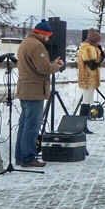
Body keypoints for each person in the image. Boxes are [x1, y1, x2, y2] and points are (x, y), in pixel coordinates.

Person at [15, 21, 64, 167]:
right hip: (34, 91)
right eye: (48, 36)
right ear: (41, 34)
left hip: (25, 90)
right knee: (32, 126)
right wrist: (57, 66)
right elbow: (43, 69)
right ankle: (28, 158)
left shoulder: (26, 43)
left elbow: (38, 65)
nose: (48, 39)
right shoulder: (37, 46)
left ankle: (20, 156)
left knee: (24, 125)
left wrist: (51, 63)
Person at [77, 29, 104, 119]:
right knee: (86, 102)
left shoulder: (86, 47)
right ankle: (82, 124)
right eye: (98, 41)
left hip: (87, 78)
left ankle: (83, 124)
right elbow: (92, 65)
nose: (99, 42)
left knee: (87, 101)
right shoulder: (89, 49)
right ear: (94, 40)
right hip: (88, 79)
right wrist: (101, 58)